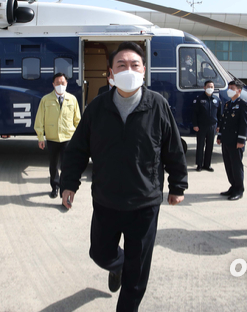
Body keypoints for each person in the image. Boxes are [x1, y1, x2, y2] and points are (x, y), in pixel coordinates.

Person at [60, 41, 188, 312]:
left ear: (144, 71)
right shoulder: (97, 107)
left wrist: (178, 185)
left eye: (134, 65)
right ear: (110, 73)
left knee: (137, 271)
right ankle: (116, 266)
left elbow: (173, 149)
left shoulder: (158, 106)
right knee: (100, 253)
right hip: (106, 200)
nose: (128, 69)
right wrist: (68, 183)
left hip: (144, 203)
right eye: (121, 65)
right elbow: (78, 148)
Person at [34, 73, 81, 199]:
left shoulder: (72, 99)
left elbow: (77, 120)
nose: (60, 85)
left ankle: (64, 189)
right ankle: (55, 186)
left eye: (63, 83)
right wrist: (40, 137)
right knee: (53, 165)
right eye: (58, 83)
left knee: (66, 165)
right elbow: (39, 120)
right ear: (53, 84)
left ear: (66, 84)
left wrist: (79, 138)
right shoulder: (46, 100)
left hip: (67, 138)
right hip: (52, 138)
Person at [217, 80, 247, 200]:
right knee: (228, 164)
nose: (229, 90)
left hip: (236, 141)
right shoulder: (228, 104)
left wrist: (241, 141)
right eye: (229, 88)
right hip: (226, 140)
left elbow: (244, 124)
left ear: (239, 91)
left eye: (232, 88)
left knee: (236, 165)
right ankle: (233, 186)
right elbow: (223, 121)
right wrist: (220, 136)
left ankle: (239, 189)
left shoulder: (243, 104)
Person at [192, 80, 222, 172]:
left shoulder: (217, 100)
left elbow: (219, 114)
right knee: (200, 146)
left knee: (210, 146)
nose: (210, 88)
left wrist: (219, 126)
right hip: (201, 126)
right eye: (208, 86)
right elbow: (194, 113)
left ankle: (207, 165)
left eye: (212, 87)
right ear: (204, 87)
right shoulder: (199, 99)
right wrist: (195, 125)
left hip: (212, 126)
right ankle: (199, 165)